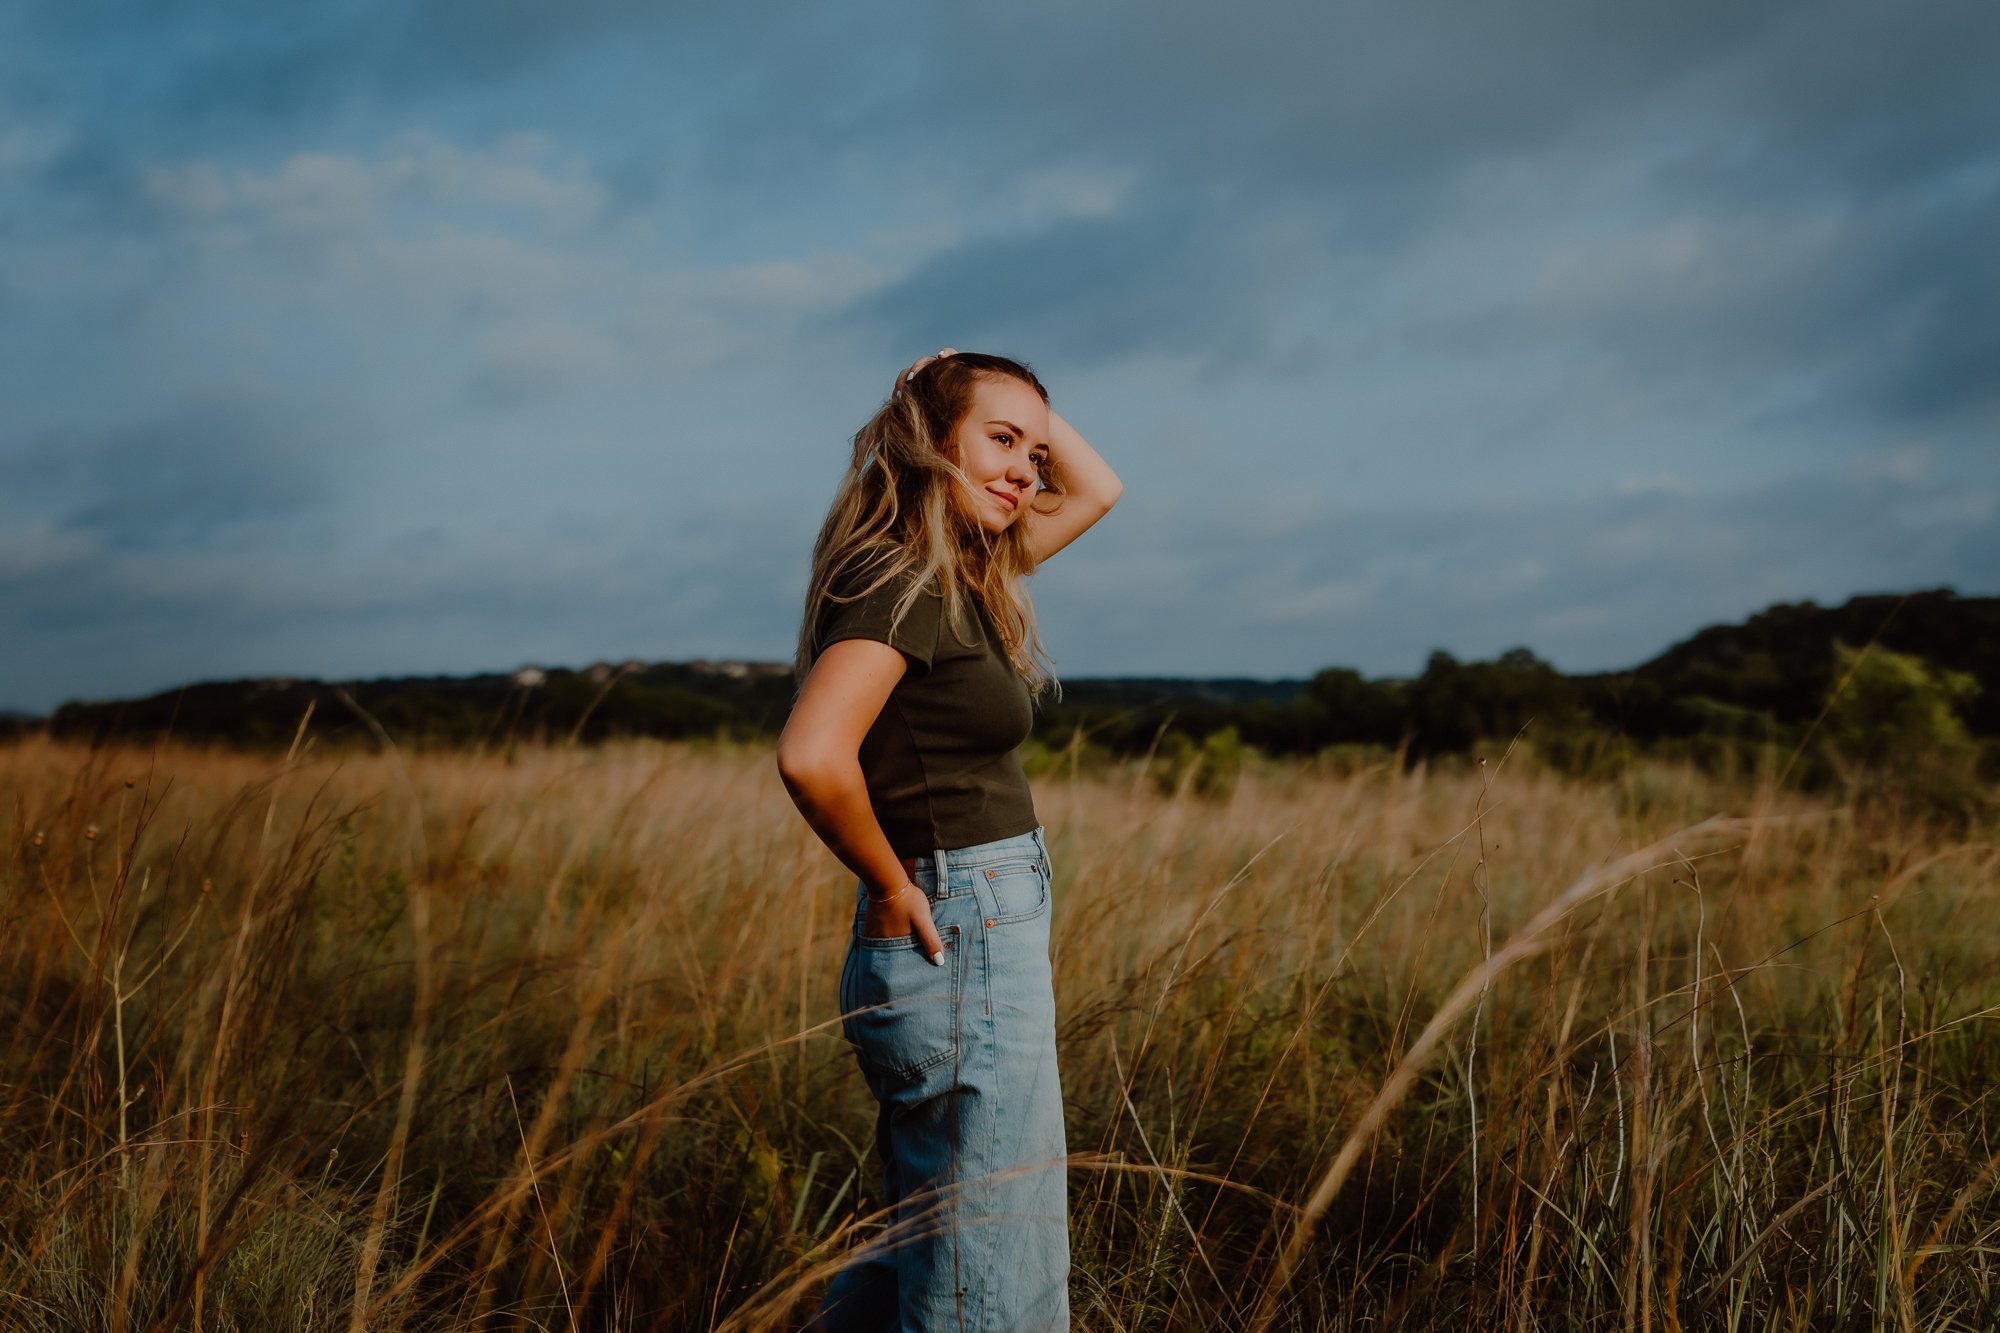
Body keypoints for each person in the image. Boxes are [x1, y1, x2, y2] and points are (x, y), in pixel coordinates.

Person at [777, 348, 1122, 1330]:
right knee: (989, 1272)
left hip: (980, 925)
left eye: (1033, 448)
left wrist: (989, 394)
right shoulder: (899, 579)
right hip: (956, 927)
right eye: (1000, 441)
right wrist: (888, 885)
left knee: (936, 1250)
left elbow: (1100, 487)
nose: (1026, 469)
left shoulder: (965, 566)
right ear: (931, 444)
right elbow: (811, 754)